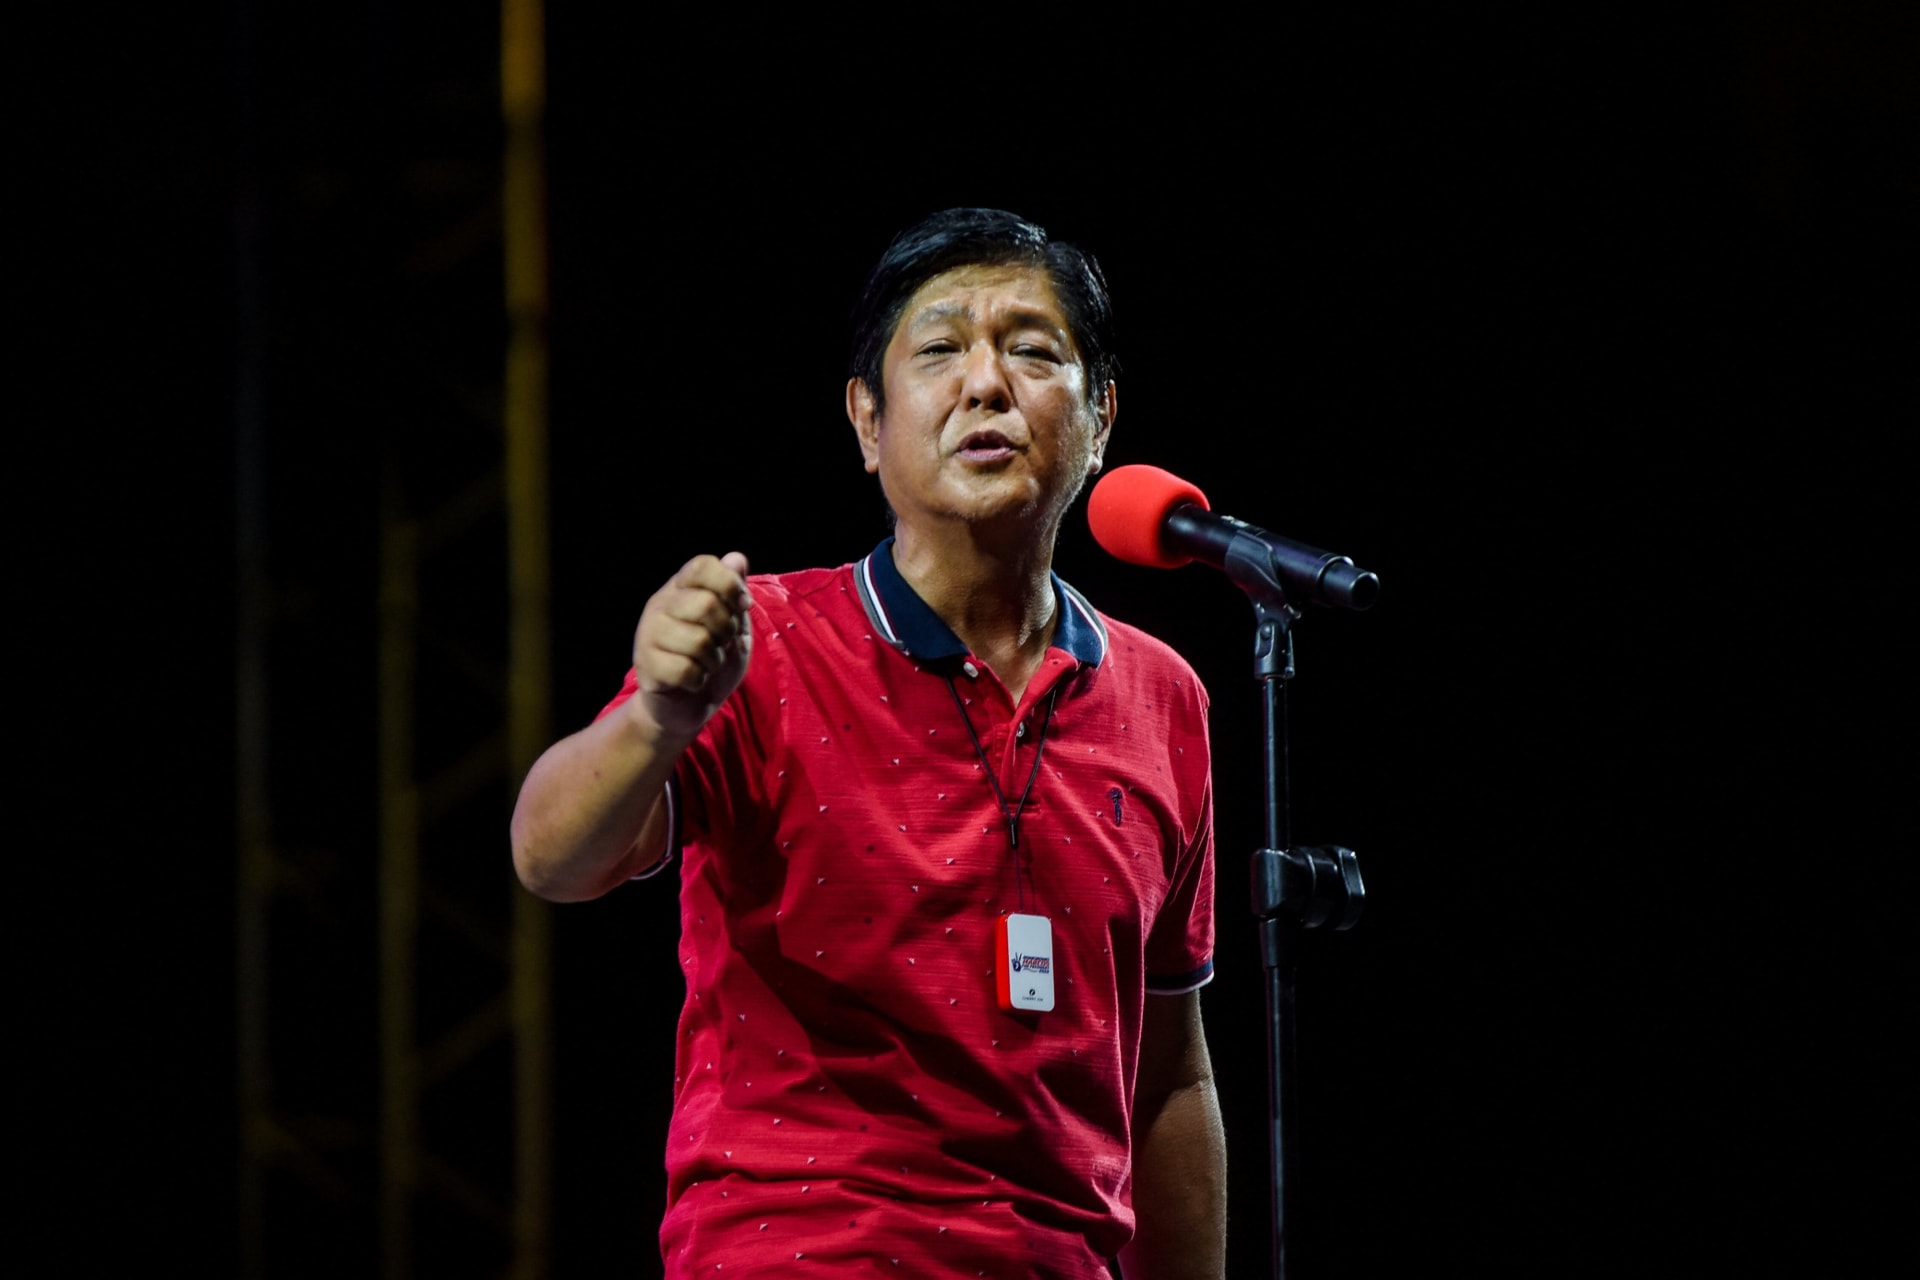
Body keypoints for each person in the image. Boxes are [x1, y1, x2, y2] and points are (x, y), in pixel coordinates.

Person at [511, 208, 1225, 1279]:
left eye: (1034, 351)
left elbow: (1170, 1076)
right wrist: (659, 714)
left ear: (1102, 416)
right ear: (865, 420)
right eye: (939, 349)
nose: (987, 383)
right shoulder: (763, 647)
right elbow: (551, 856)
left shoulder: (1164, 696)